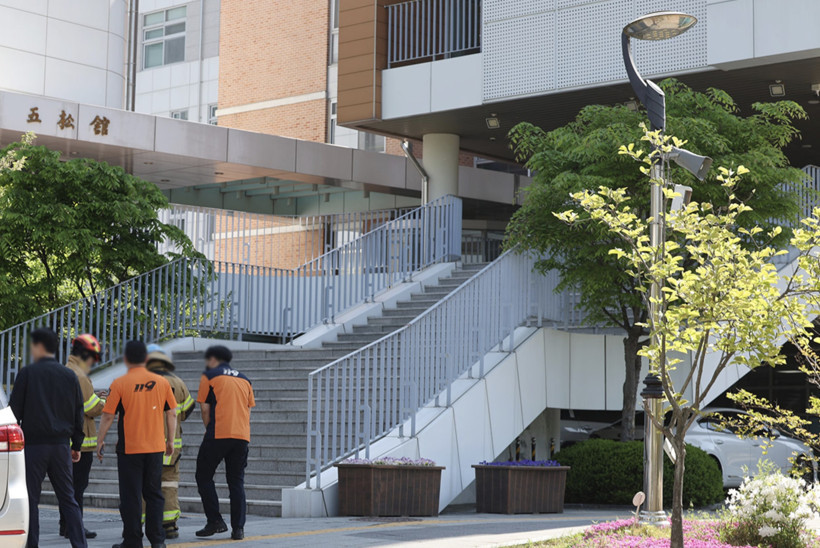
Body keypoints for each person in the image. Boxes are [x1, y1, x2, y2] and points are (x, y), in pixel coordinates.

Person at [8, 327, 88, 548]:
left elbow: (15, 413)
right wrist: (77, 444)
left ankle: (32, 544)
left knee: (31, 500)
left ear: (38, 347)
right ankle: (80, 545)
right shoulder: (69, 376)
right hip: (61, 446)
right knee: (68, 499)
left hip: (33, 447)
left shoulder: (27, 374)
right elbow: (77, 413)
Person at [96, 341, 177, 548]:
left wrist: (100, 440)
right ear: (146, 359)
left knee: (131, 497)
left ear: (126, 359)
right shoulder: (162, 382)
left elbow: (108, 416)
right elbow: (172, 412)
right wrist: (170, 440)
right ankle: (157, 541)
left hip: (130, 449)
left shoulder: (120, 383)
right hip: (156, 448)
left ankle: (132, 541)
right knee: (154, 494)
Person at [195, 345, 255, 541]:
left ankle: (215, 521)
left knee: (203, 476)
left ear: (214, 359)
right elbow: (248, 409)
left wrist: (208, 428)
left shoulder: (210, 376)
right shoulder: (245, 379)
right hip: (241, 436)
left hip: (218, 433)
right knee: (236, 482)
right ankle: (238, 529)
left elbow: (205, 408)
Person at [144, 344, 195, 539]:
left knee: (144, 484)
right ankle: (169, 526)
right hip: (170, 446)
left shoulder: (141, 381)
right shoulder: (177, 382)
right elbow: (187, 410)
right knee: (169, 484)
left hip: (145, 443)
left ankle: (140, 523)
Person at [59, 334, 105, 540]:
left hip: (63, 439)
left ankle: (65, 525)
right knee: (78, 488)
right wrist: (106, 402)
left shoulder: (64, 371)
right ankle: (75, 527)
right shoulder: (80, 376)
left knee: (67, 487)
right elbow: (90, 407)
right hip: (81, 443)